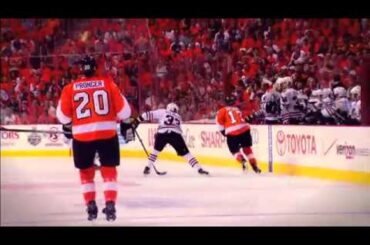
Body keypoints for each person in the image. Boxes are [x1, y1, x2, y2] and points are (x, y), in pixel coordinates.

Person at [56, 56, 132, 221]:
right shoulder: (108, 84)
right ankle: (110, 204)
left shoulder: (70, 88)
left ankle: (90, 205)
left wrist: (70, 126)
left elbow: (63, 117)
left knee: (85, 172)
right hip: (107, 134)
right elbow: (125, 113)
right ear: (96, 68)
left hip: (82, 137)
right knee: (109, 170)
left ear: (80, 70)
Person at [131, 103, 209, 176]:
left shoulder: (163, 111)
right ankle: (199, 168)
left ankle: (147, 167)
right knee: (186, 154)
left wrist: (137, 121)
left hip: (162, 133)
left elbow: (146, 115)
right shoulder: (178, 116)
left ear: (168, 108)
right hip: (175, 134)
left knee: (155, 151)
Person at [216, 95, 261, 173]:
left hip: (232, 131)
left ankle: (243, 161)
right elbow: (247, 117)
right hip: (245, 128)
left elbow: (220, 125)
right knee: (247, 149)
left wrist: (226, 134)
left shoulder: (222, 110)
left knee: (235, 151)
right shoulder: (237, 109)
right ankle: (255, 167)